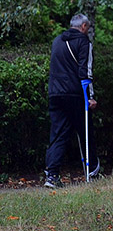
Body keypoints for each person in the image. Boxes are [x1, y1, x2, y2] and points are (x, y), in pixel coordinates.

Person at [44, 13, 98, 188]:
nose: (88, 30)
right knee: (85, 130)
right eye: (87, 28)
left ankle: (51, 175)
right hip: (74, 94)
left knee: (58, 134)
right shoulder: (84, 42)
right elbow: (85, 71)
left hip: (55, 93)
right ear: (83, 26)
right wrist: (89, 97)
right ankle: (93, 170)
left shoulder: (57, 41)